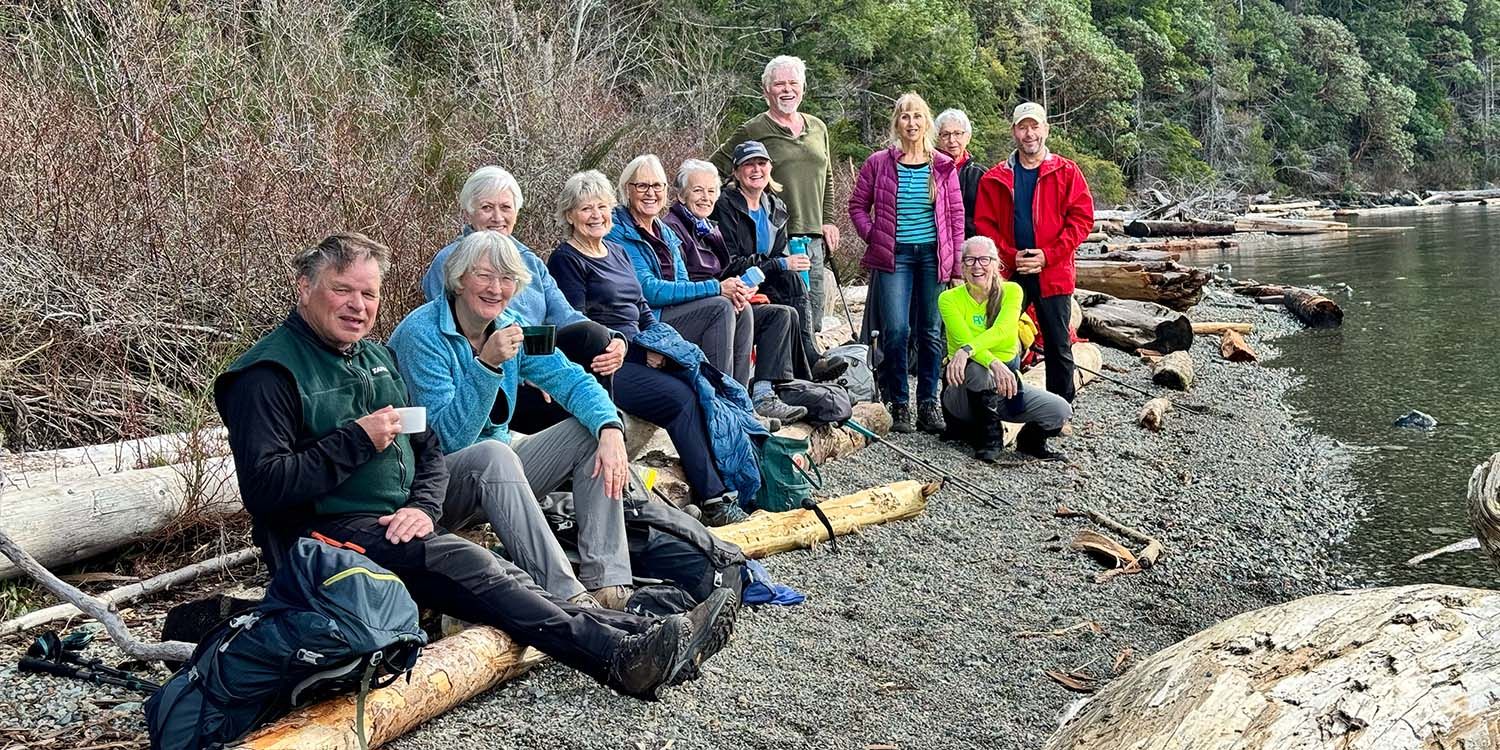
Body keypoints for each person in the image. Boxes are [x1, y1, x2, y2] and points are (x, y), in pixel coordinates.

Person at [214, 232, 738, 700]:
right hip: (328, 534)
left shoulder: (386, 354)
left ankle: (619, 613)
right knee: (484, 566)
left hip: (413, 511)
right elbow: (264, 491)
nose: (358, 305)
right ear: (304, 287)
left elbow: (431, 447)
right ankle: (615, 652)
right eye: (343, 290)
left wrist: (608, 428)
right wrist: (479, 370)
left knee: (512, 527)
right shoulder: (275, 373)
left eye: (369, 294)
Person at [392, 230, 638, 609]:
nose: (496, 288)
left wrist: (610, 427)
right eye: (484, 276)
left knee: (588, 431)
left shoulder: (512, 326)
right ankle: (566, 596)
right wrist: (487, 365)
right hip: (434, 487)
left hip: (498, 469)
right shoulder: (421, 335)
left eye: (507, 279)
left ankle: (609, 583)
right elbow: (445, 439)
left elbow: (571, 378)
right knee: (494, 452)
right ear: (458, 279)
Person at [549, 170, 760, 527]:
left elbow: (641, 308)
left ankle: (739, 481)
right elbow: (576, 326)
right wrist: (633, 350)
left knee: (706, 384)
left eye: (602, 206)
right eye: (586, 208)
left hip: (639, 349)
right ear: (570, 215)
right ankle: (713, 498)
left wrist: (661, 342)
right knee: (680, 398)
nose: (597, 215)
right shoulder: (566, 260)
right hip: (603, 364)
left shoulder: (615, 251)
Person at [421, 166, 627, 434]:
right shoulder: (451, 262)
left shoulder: (529, 260)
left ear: (516, 213)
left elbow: (565, 315)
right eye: (487, 208)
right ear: (468, 213)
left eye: (506, 208)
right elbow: (457, 339)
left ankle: (605, 435)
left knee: (594, 337)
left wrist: (615, 339)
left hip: (536, 363)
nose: (498, 217)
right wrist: (522, 373)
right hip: (491, 379)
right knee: (591, 415)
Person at [848, 92, 964, 434]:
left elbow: (956, 218)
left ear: (926, 122)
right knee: (896, 330)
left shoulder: (942, 165)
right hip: (894, 256)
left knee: (930, 331)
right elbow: (857, 206)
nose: (911, 123)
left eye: (917, 116)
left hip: (932, 255)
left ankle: (928, 403)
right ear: (896, 123)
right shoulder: (879, 163)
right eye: (904, 117)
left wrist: (955, 265)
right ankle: (898, 403)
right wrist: (875, 235)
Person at [661, 156, 811, 421]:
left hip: (717, 298)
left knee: (780, 313)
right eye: (697, 191)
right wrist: (722, 290)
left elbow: (726, 271)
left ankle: (755, 396)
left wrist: (742, 289)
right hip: (688, 311)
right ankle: (724, 398)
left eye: (710, 191)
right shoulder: (673, 229)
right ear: (681, 196)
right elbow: (677, 285)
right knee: (728, 307)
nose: (705, 197)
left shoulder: (709, 228)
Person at [710, 55, 839, 343]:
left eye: (793, 83)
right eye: (779, 84)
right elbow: (712, 169)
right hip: (771, 239)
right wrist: (728, 209)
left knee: (811, 314)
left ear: (803, 88)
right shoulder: (753, 130)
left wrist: (828, 220)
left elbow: (827, 176)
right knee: (779, 313)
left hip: (811, 238)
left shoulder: (818, 127)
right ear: (765, 89)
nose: (787, 90)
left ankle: (806, 377)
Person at [973, 102, 1094, 403]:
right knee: (994, 334)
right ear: (1014, 131)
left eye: (1035, 126)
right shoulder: (994, 177)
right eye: (1023, 127)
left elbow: (1081, 219)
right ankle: (993, 402)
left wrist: (1048, 255)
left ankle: (1060, 410)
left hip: (1052, 271)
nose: (1029, 134)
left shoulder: (1067, 172)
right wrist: (1010, 256)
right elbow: (984, 224)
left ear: (1046, 130)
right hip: (1010, 271)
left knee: (1057, 342)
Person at [604, 154, 755, 387]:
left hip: (673, 313)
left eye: (657, 186)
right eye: (642, 185)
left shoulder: (665, 232)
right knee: (720, 307)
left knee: (740, 307)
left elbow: (682, 280)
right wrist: (716, 288)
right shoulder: (618, 232)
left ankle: (739, 398)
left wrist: (728, 291)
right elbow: (647, 290)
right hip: (648, 320)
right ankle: (719, 398)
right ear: (627, 189)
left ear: (665, 190)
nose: (650, 193)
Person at [700, 145, 834, 385]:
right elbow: (730, 262)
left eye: (762, 163)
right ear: (736, 172)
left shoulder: (777, 206)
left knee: (792, 283)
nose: (756, 170)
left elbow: (777, 259)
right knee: (785, 297)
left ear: (770, 168)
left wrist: (780, 265)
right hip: (734, 281)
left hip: (764, 281)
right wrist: (779, 263)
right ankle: (800, 370)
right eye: (749, 164)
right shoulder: (724, 205)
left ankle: (808, 360)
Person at [939, 237, 1071, 462]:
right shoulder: (948, 299)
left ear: (996, 263)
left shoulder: (1012, 291)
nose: (976, 266)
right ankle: (990, 438)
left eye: (983, 259)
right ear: (962, 266)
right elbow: (963, 337)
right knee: (979, 371)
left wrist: (967, 350)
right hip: (963, 392)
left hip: (1006, 386)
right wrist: (994, 364)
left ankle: (1030, 441)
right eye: (969, 260)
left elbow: (1002, 329)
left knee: (1060, 411)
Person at [935, 108, 987, 239]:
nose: (952, 140)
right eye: (945, 134)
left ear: (968, 137)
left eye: (958, 133)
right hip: (934, 246)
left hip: (969, 246)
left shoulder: (980, 174)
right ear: (937, 138)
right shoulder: (927, 171)